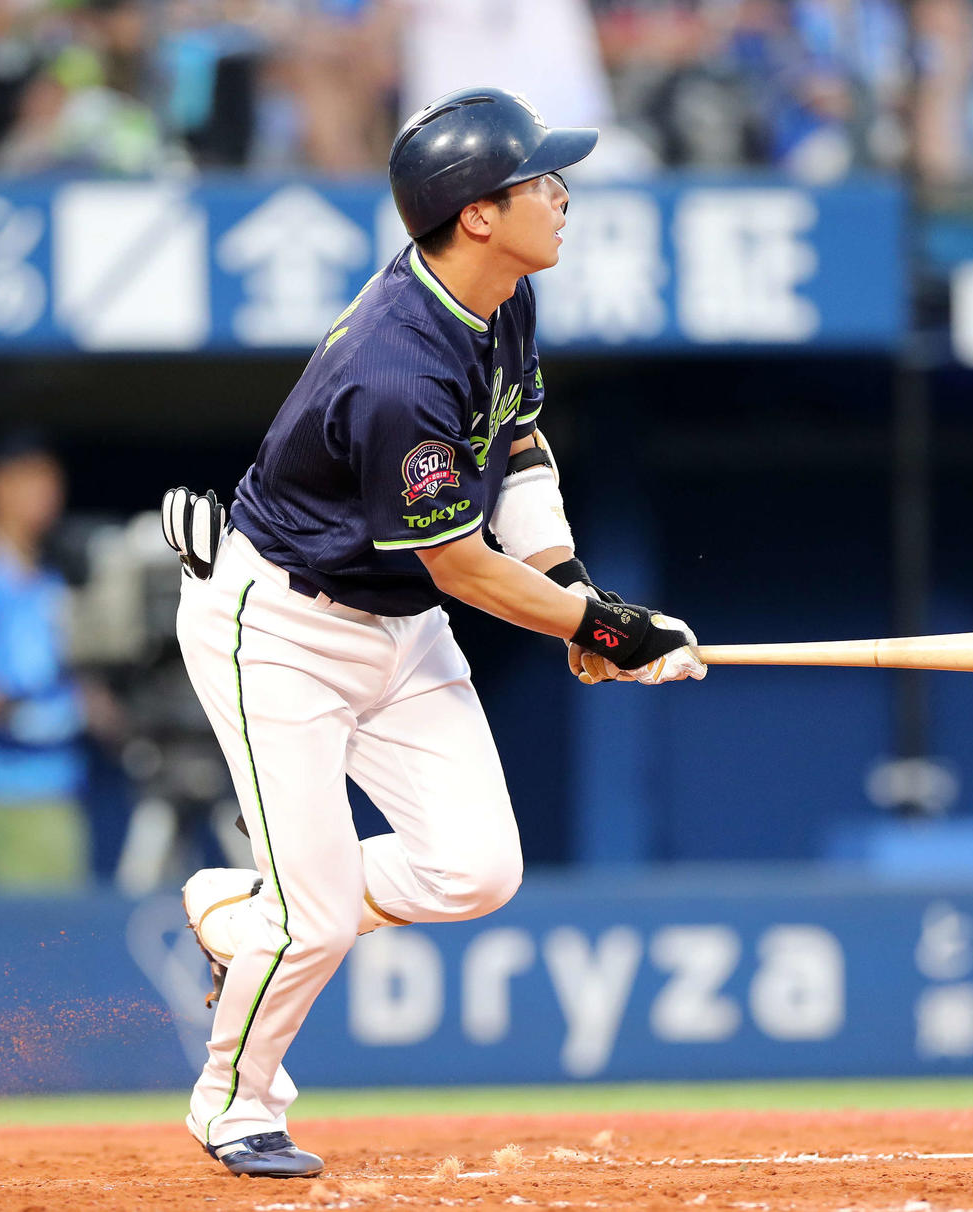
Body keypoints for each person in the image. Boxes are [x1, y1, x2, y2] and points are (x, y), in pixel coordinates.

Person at [162, 85, 705, 1180]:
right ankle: (233, 1103)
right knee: (314, 926)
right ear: (476, 215)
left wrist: (574, 594)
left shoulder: (500, 294)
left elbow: (520, 439)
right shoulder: (395, 370)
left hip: (395, 630)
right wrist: (608, 627)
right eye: (538, 180)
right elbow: (457, 565)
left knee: (475, 870)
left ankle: (250, 911)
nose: (562, 195)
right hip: (279, 631)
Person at [0, 432, 89, 887]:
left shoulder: (60, 576)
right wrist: (6, 703)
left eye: (52, 481)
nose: (46, 495)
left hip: (61, 783)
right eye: (31, 480)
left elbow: (82, 680)